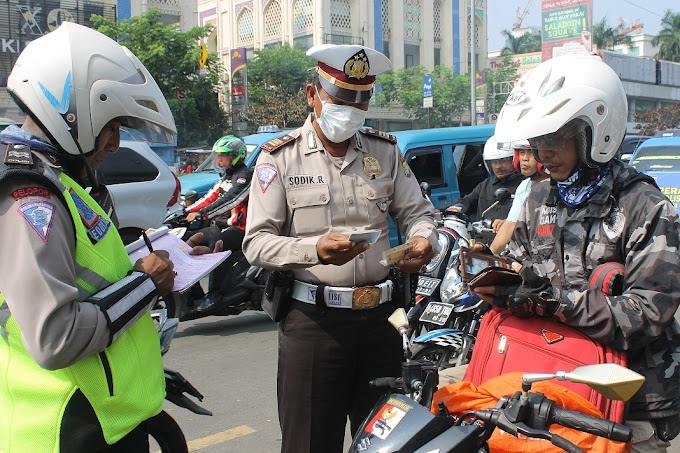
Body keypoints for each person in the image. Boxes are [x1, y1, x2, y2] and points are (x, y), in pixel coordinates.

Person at [0, 23, 209, 453]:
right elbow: (55, 336)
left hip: (102, 420)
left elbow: (90, 270)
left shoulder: (61, 181)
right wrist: (145, 283)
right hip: (68, 430)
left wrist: (167, 255)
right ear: (74, 109)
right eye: (111, 125)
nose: (114, 143)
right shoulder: (30, 196)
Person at [473, 53, 680, 452]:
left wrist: (552, 302)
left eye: (553, 138)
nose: (541, 152)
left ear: (595, 132)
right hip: (554, 386)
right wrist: (495, 275)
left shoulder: (644, 206)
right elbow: (520, 264)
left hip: (631, 403)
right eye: (536, 141)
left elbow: (647, 315)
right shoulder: (539, 197)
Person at [242, 43, 440, 453]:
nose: (351, 109)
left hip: (382, 323)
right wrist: (314, 250)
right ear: (312, 95)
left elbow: (419, 213)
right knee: (311, 444)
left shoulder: (385, 152)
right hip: (315, 326)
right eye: (341, 97)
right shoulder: (280, 158)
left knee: (388, 445)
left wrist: (424, 239)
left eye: (361, 99)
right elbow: (257, 243)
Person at [184, 135, 254, 311]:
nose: (219, 159)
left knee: (218, 245)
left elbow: (231, 200)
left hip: (241, 229)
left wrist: (202, 214)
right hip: (221, 226)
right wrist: (186, 212)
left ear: (236, 155)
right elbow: (210, 197)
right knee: (184, 240)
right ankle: (194, 292)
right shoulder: (226, 177)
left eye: (224, 155)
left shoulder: (244, 176)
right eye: (218, 155)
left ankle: (214, 294)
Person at [446, 136, 524, 242]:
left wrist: (507, 223)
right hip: (481, 242)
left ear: (513, 160)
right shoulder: (486, 185)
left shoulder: (523, 186)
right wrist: (457, 207)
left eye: (502, 161)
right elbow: (468, 200)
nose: (498, 166)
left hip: (509, 245)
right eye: (494, 162)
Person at [487, 140, 548, 254]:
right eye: (521, 152)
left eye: (530, 152)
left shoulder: (554, 186)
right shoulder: (524, 186)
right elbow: (510, 225)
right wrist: (488, 256)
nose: (524, 158)